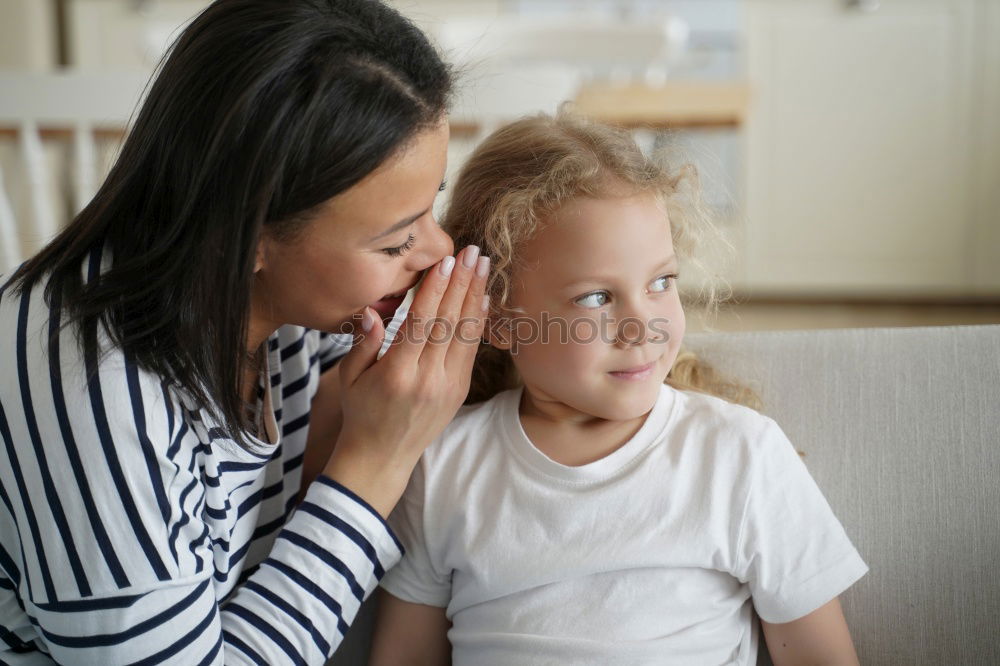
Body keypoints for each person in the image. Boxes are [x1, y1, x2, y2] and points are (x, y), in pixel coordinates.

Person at [0, 0, 490, 663]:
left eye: (431, 204)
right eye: (397, 239)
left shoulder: (287, 310)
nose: (437, 249)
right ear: (248, 239)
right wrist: (377, 460)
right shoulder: (93, 388)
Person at [369, 113, 869, 665]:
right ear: (500, 319)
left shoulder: (739, 455)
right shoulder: (443, 465)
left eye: (661, 283)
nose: (644, 326)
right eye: (595, 298)